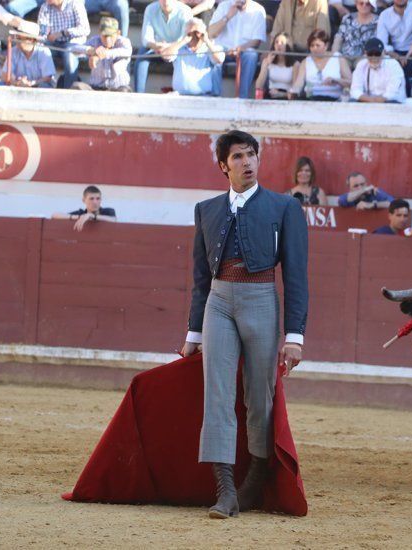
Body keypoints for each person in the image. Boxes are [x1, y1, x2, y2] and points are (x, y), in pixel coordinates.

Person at [179, 130, 308, 519]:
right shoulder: (207, 209)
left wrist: (295, 336)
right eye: (238, 156)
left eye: (252, 154)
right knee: (216, 393)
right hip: (217, 301)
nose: (247, 162)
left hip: (261, 298)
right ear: (223, 165)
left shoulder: (284, 207)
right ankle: (225, 489)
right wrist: (193, 333)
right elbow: (201, 277)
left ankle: (254, 480)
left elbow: (297, 276)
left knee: (258, 395)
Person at [208, 0, 267, 98]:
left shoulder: (258, 9)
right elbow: (211, 33)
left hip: (244, 50)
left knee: (251, 55)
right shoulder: (223, 6)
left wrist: (240, 49)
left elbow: (256, 41)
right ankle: (215, 96)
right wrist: (227, 16)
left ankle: (242, 98)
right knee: (215, 52)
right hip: (223, 49)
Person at [135, 0, 193, 93]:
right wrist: (157, 46)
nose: (165, 1)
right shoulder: (150, 9)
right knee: (142, 54)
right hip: (158, 48)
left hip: (178, 49)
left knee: (187, 54)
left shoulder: (185, 11)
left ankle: (184, 93)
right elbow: (146, 38)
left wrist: (170, 47)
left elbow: (186, 39)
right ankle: (138, 94)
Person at [375, 0, 412, 94]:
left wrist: (411, 49)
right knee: (389, 64)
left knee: (409, 64)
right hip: (396, 52)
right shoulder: (385, 15)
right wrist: (397, 56)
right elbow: (382, 43)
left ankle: (408, 98)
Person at [164, 17, 226, 95]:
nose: (195, 36)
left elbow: (219, 60)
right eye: (190, 33)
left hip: (204, 97)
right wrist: (184, 40)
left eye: (197, 32)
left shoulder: (211, 48)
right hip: (179, 95)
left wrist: (206, 40)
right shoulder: (179, 48)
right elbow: (165, 55)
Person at [37, 0, 90, 88]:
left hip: (73, 43)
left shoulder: (75, 3)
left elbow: (85, 29)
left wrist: (62, 33)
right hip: (53, 44)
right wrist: (44, 35)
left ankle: (69, 89)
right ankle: (44, 85)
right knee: (41, 51)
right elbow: (42, 32)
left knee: (70, 56)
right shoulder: (45, 7)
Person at [71, 16, 132, 91]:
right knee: (76, 86)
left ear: (118, 33)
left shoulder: (124, 42)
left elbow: (127, 52)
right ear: (99, 32)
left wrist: (101, 55)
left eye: (111, 36)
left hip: (117, 88)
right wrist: (91, 50)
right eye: (105, 36)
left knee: (125, 91)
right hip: (96, 88)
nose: (107, 39)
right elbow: (73, 49)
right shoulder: (95, 40)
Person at [289, 29, 352, 100]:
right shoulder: (306, 61)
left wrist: (336, 80)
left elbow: (350, 82)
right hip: (311, 98)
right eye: (312, 46)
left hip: (334, 99)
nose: (314, 48)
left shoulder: (338, 59)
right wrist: (293, 91)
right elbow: (299, 82)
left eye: (317, 45)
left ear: (326, 45)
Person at [350, 37, 407, 102]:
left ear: (384, 52)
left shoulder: (393, 65)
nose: (374, 57)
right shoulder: (361, 65)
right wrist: (371, 100)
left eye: (377, 54)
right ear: (365, 54)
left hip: (390, 102)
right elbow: (355, 90)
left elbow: (392, 93)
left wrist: (374, 101)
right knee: (352, 101)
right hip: (369, 101)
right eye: (370, 54)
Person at [52, 185, 117, 232]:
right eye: (91, 199)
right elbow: (54, 215)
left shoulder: (108, 211)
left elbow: (114, 219)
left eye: (98, 199)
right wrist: (80, 217)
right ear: (84, 200)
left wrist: (91, 216)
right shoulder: (81, 213)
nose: (95, 202)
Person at [255, 33, 299, 99]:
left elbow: (295, 92)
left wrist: (281, 94)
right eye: (276, 42)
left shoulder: (295, 64)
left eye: (282, 42)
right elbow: (258, 86)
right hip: (270, 94)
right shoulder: (267, 61)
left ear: (288, 45)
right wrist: (266, 64)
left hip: (286, 97)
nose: (279, 45)